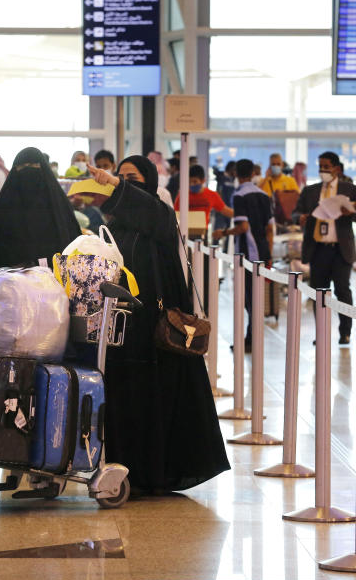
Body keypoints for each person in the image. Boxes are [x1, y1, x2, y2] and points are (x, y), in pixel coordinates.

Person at [85, 159, 231, 493]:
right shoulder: (114, 225)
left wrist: (115, 185)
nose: (124, 183)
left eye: (131, 178)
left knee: (154, 398)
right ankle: (123, 469)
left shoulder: (161, 216)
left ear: (148, 183)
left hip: (154, 333)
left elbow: (152, 216)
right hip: (120, 329)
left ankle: (154, 474)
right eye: (121, 178)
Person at [0, 147, 81, 285]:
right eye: (22, 167)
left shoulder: (59, 207)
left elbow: (76, 244)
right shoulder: (3, 207)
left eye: (34, 166)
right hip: (10, 286)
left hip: (55, 287)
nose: (28, 172)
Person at [293, 151, 356, 345]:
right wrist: (299, 218)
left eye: (326, 166)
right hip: (318, 249)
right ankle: (322, 333)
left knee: (343, 290)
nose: (323, 170)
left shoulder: (349, 190)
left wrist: (349, 213)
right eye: (320, 166)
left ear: (336, 168)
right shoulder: (310, 191)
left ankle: (345, 332)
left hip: (341, 249)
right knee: (319, 292)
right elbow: (296, 212)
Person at [223, 159, 273, 352]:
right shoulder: (263, 195)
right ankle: (251, 336)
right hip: (262, 251)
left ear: (236, 173)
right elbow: (270, 229)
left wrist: (224, 233)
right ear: (253, 173)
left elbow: (243, 227)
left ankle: (251, 339)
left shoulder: (239, 196)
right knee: (254, 298)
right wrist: (268, 253)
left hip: (246, 254)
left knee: (248, 299)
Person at [173, 164, 229, 235]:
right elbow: (175, 215)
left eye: (195, 181)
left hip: (203, 232)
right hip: (184, 232)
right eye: (189, 182)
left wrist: (242, 214)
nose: (192, 184)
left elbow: (225, 210)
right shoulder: (183, 196)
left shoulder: (212, 195)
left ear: (203, 180)